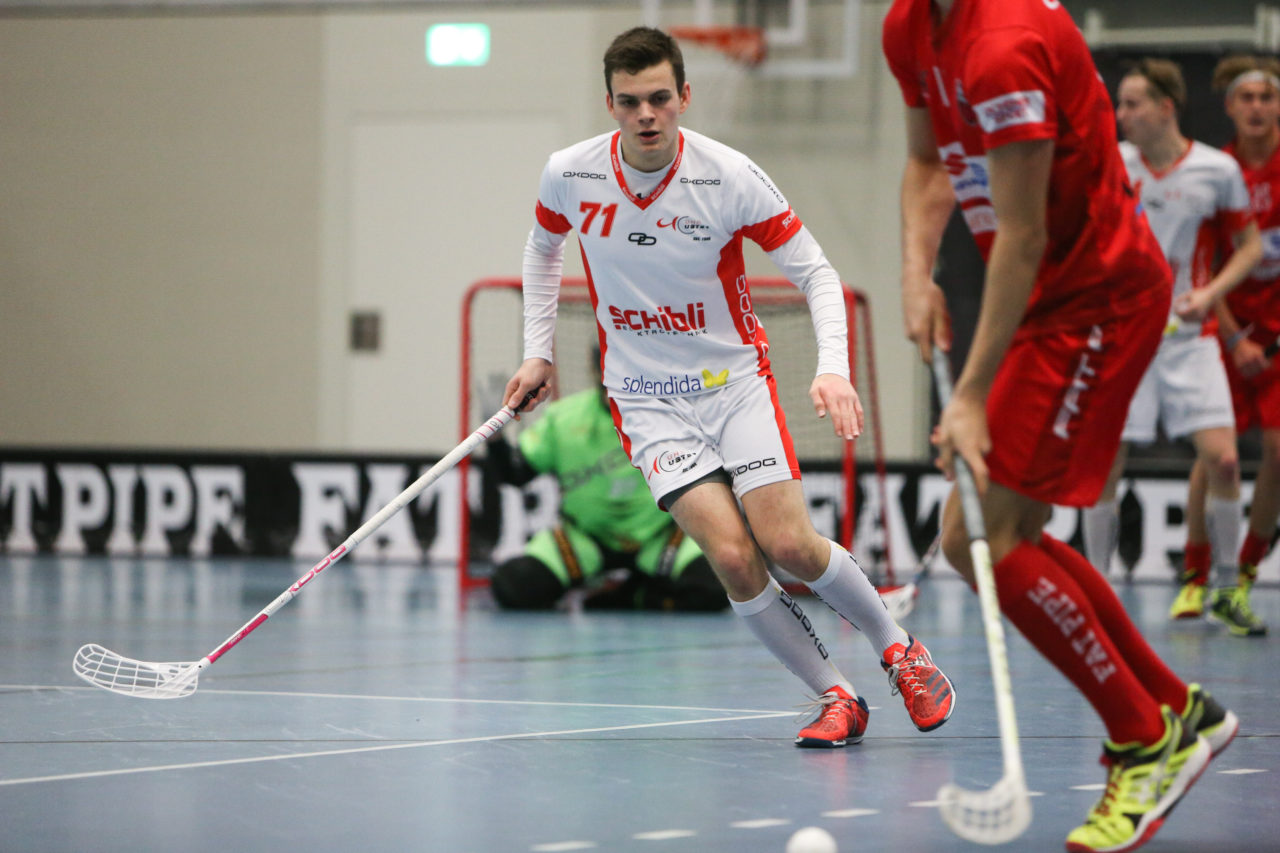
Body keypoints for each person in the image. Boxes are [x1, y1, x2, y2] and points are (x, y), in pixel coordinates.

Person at [504, 26, 955, 749]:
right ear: (610, 104)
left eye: (659, 98)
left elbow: (816, 271)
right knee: (735, 559)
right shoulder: (570, 172)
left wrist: (831, 365)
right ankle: (836, 693)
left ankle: (898, 647)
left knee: (788, 545)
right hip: (647, 401)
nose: (645, 114)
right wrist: (538, 354)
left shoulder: (728, 175)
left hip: (732, 383)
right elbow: (542, 248)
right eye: (629, 102)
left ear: (684, 96)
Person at [883, 2, 1238, 850]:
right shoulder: (907, 25)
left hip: (1098, 299)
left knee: (982, 537)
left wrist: (966, 394)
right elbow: (927, 163)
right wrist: (917, 274)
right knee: (1013, 528)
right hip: (1050, 301)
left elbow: (1027, 233)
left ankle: (1145, 739)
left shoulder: (1004, 47)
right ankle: (1179, 707)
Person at [1082, 59, 1261, 624]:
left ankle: (1229, 589)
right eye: (1120, 104)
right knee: (1105, 463)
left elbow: (1251, 246)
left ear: (1166, 108)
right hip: (1125, 337)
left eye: (1133, 104)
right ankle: (1100, 593)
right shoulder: (1114, 163)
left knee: (1226, 461)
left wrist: (1211, 294)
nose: (1122, 114)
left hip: (1192, 339)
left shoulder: (1217, 169)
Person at [484, 361, 726, 612]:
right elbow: (515, 475)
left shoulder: (675, 414)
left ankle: (630, 596)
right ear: (598, 369)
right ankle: (633, 592)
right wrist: (495, 437)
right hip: (585, 540)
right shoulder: (564, 417)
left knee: (721, 585)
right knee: (512, 586)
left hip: (659, 538)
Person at [1185, 55, 1280, 637]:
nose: (1256, 108)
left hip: (1275, 333)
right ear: (1229, 107)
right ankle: (1197, 575)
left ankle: (1241, 575)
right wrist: (1232, 331)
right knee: (1214, 452)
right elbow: (1208, 263)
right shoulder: (1217, 172)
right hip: (1221, 327)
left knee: (1277, 447)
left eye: (1267, 98)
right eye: (1246, 98)